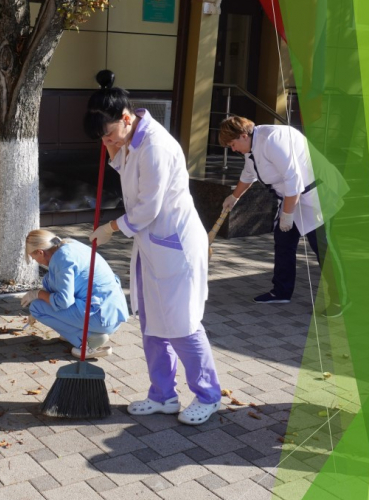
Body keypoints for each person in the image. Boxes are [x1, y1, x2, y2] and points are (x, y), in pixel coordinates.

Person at [84, 70, 222, 425]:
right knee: (151, 322)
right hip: (151, 245)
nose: (107, 143)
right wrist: (115, 147)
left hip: (175, 244)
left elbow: (147, 207)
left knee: (183, 324)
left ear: (126, 118)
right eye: (103, 139)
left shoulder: (156, 146)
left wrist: (112, 227)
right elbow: (130, 179)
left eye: (110, 135)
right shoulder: (131, 139)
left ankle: (208, 395)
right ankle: (163, 395)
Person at [219, 115, 346, 317]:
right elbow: (248, 173)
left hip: (316, 194)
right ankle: (281, 291)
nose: (233, 149)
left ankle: (340, 299)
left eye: (232, 144)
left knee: (322, 246)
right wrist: (234, 197)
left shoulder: (273, 140)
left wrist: (287, 215)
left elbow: (293, 179)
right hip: (291, 196)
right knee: (283, 241)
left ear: (243, 135)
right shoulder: (250, 145)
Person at [21, 229, 129, 358]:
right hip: (113, 311)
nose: (36, 262)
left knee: (37, 307)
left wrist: (37, 295)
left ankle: (87, 341)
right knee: (47, 288)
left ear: (40, 252)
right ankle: (75, 332)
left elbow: (64, 301)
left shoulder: (62, 260)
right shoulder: (69, 244)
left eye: (34, 258)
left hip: (101, 318)